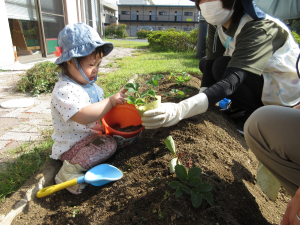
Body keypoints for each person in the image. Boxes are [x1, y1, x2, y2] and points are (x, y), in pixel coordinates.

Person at [141, 0, 300, 135]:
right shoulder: (217, 23)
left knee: (221, 66)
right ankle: (241, 107)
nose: (206, 3)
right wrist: (203, 100)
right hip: (257, 78)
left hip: (281, 87)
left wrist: (180, 110)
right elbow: (210, 61)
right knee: (207, 63)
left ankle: (255, 114)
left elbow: (232, 80)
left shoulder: (258, 26)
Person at [50, 23, 127, 194]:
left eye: (98, 64)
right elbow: (84, 116)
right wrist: (110, 101)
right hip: (72, 148)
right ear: (70, 61)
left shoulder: (88, 86)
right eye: (91, 64)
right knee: (108, 145)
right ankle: (68, 172)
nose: (96, 70)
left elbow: (98, 112)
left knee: (111, 140)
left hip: (87, 140)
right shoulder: (64, 90)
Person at [244, 0, 300, 224]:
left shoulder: (261, 26)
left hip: (285, 91)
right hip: (287, 96)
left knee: (259, 124)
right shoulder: (224, 29)